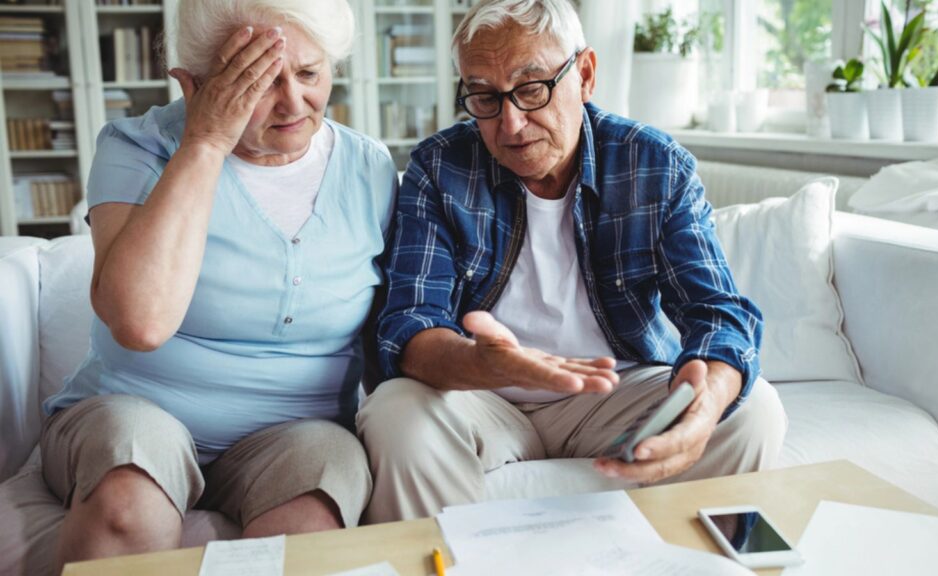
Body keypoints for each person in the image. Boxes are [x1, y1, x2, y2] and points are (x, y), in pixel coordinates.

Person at [357, 0, 787, 523]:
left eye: (531, 87)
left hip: (612, 391)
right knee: (394, 413)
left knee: (753, 411)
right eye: (485, 97)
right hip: (482, 395)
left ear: (584, 75)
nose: (510, 124)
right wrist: (482, 363)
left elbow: (719, 314)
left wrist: (706, 401)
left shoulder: (652, 163)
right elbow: (408, 324)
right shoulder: (439, 166)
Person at [38, 0, 395, 569]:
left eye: (309, 73)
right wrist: (204, 142)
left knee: (316, 507)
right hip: (133, 410)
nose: (294, 102)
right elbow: (140, 321)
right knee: (128, 488)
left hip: (299, 432)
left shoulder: (370, 167)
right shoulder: (138, 146)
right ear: (193, 83)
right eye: (256, 80)